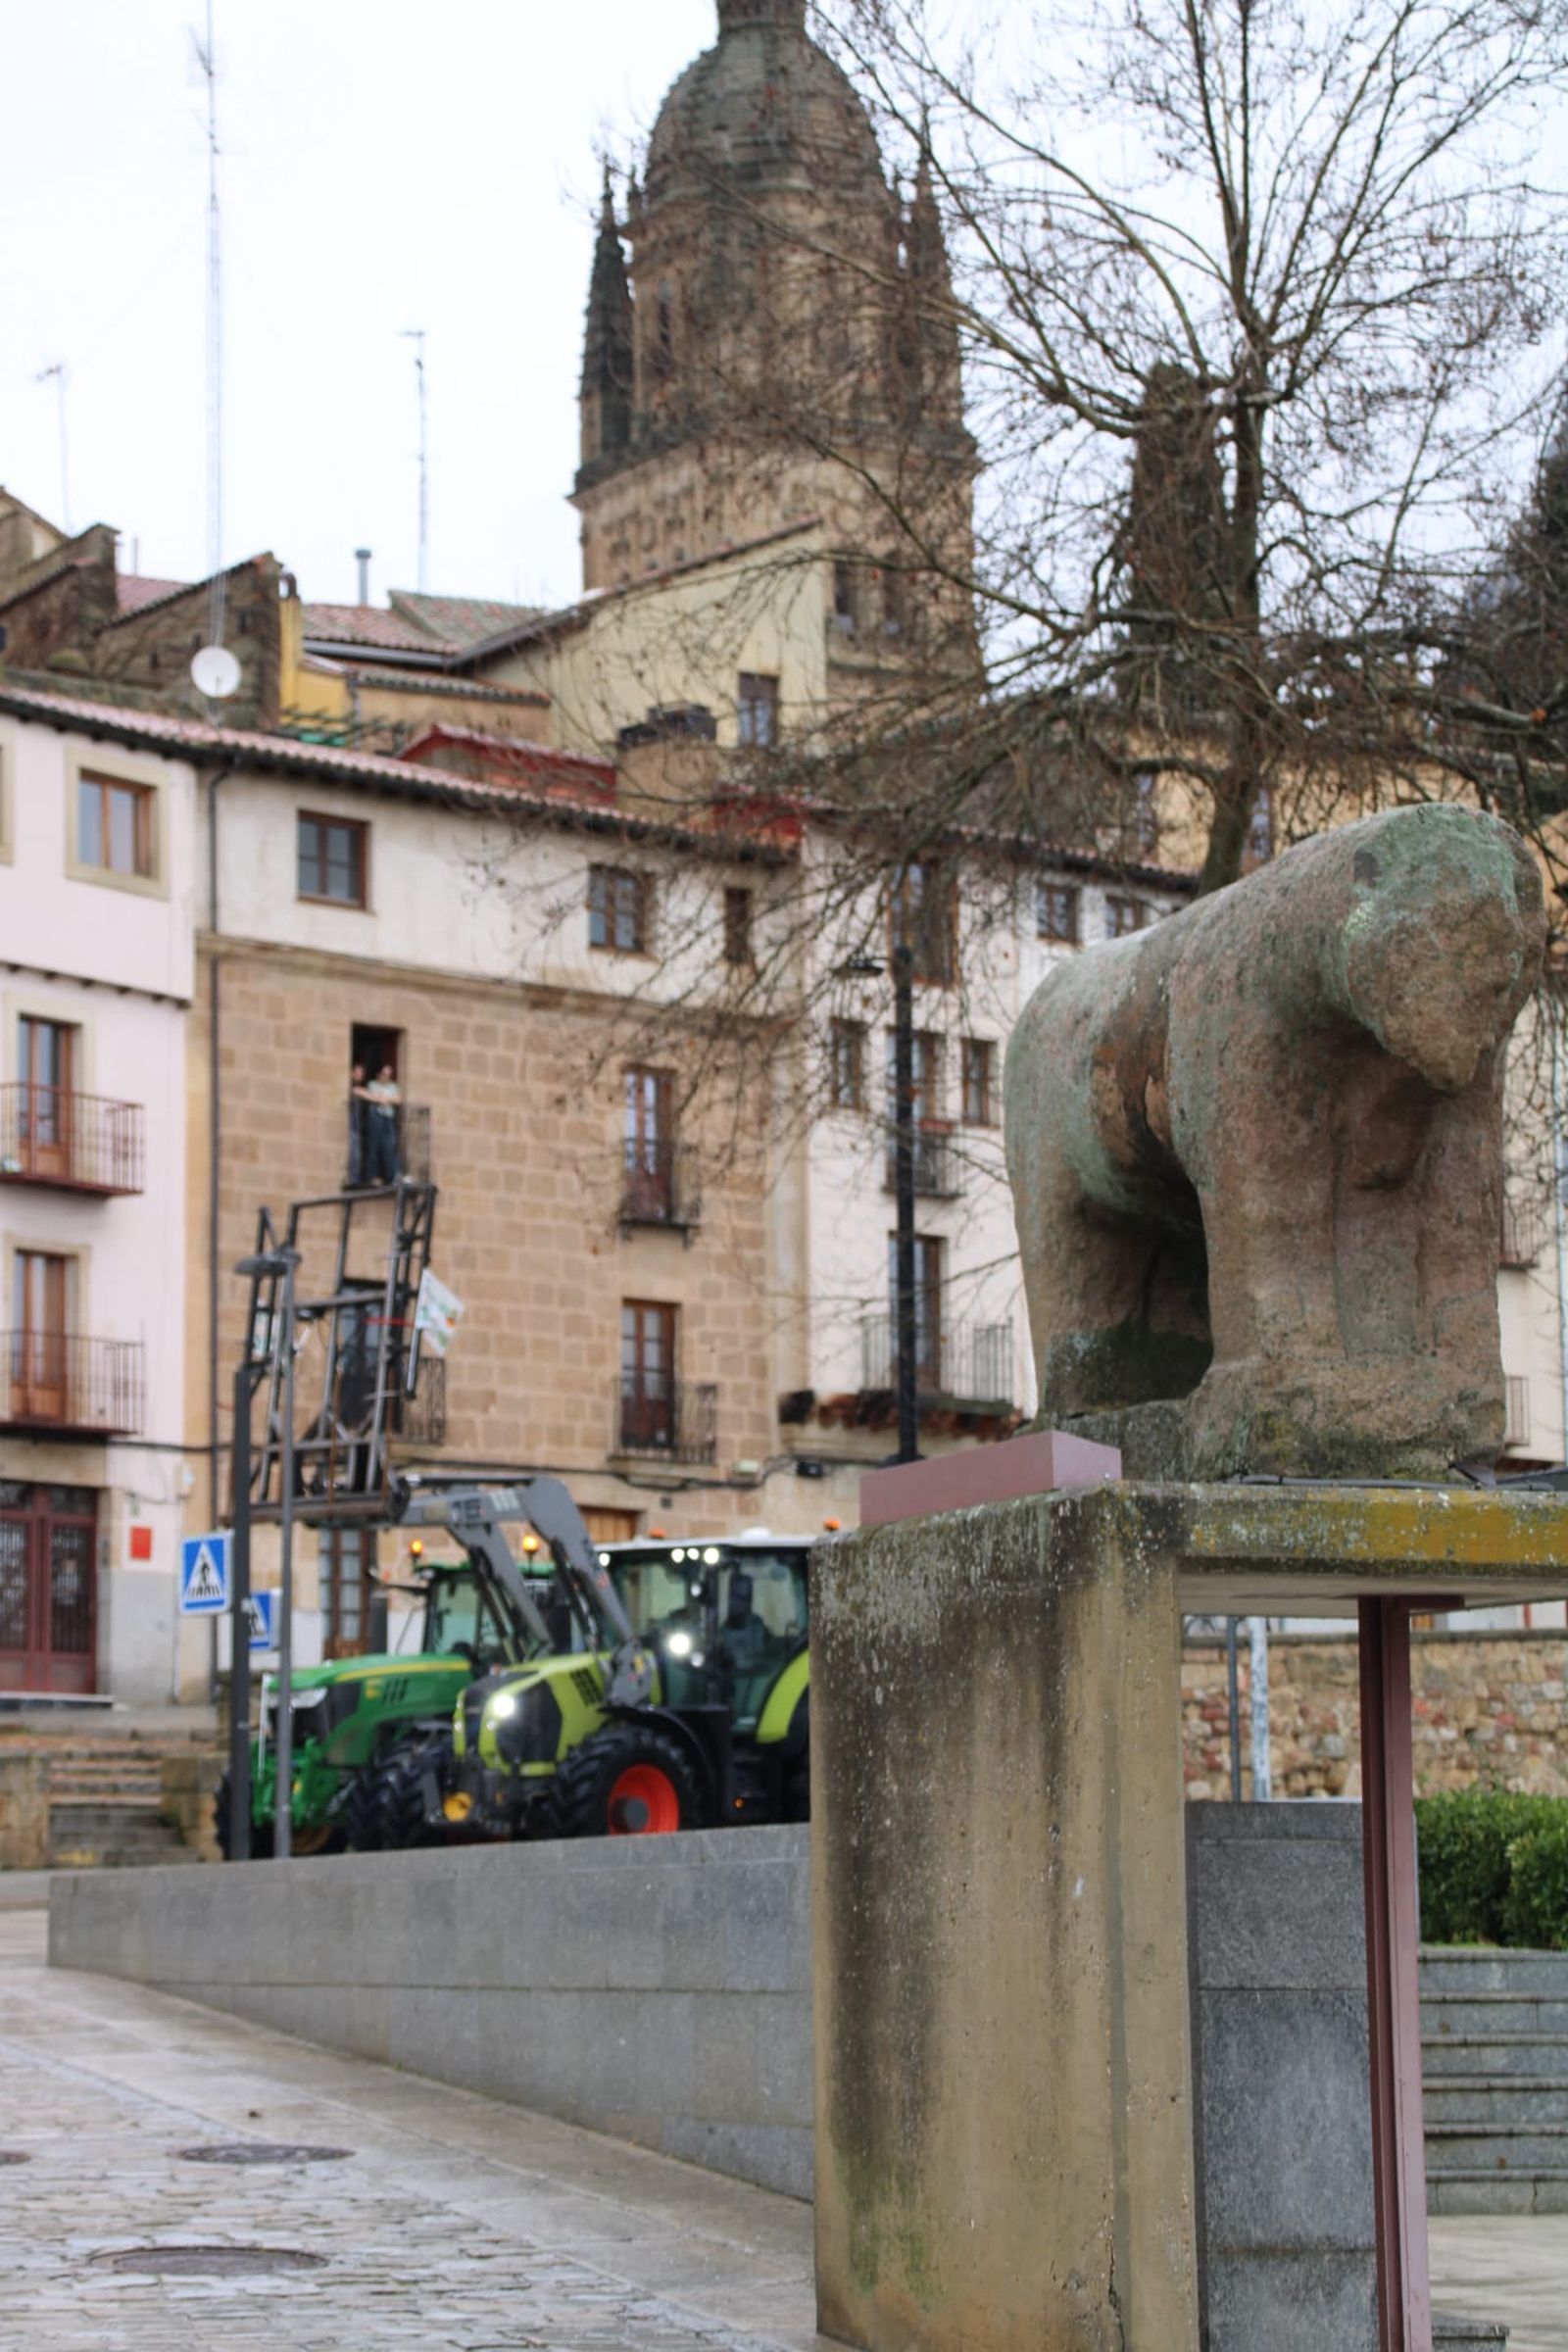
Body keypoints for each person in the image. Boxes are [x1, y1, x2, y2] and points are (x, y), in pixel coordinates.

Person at [365, 1061, 401, 1184]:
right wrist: (382, 1099)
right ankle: (373, 1176)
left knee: (390, 1147)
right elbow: (371, 1096)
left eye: (389, 1075)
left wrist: (383, 1099)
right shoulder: (372, 1084)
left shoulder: (393, 1086)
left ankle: (392, 1175)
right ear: (379, 1074)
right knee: (374, 1146)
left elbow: (397, 1099)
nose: (387, 1077)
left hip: (388, 1118)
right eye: (385, 1074)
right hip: (376, 1117)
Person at [346, 1061, 369, 1187]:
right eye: (359, 1072)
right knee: (354, 1153)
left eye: (362, 1073)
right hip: (352, 1127)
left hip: (357, 1126)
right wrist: (380, 1098)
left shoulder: (359, 1087)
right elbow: (358, 1091)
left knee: (357, 1153)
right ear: (352, 1072)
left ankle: (356, 1179)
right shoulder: (350, 1086)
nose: (361, 1075)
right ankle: (353, 1180)